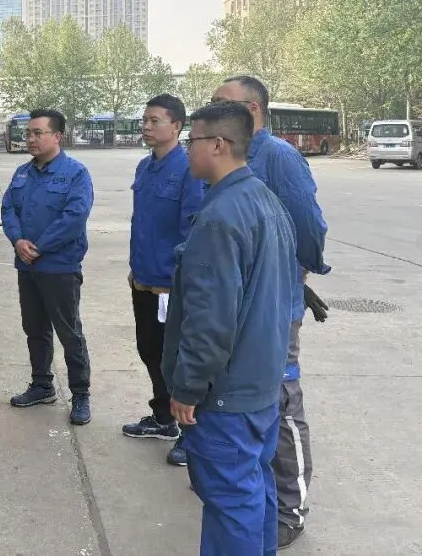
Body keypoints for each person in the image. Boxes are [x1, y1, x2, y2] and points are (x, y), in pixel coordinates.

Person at [163, 100, 297, 556]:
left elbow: (210, 319)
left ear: (218, 144)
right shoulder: (264, 200)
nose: (187, 150)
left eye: (192, 140)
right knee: (254, 487)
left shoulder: (221, 217)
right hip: (260, 384)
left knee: (230, 502)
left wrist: (188, 386)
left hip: (226, 394)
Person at [211, 76, 330, 549]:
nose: (212, 109)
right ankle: (254, 488)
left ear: (253, 109)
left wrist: (296, 270)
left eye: (221, 103)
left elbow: (310, 226)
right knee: (248, 397)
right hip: (237, 301)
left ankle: (291, 508)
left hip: (274, 305)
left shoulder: (277, 156)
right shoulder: (226, 153)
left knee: (281, 400)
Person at [122, 95, 204, 467]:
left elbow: (192, 229)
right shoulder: (145, 167)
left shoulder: (188, 169)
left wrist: (179, 278)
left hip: (171, 287)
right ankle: (163, 418)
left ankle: (192, 434)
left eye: (155, 120)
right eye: (145, 120)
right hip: (143, 280)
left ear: (177, 126)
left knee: (177, 361)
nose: (146, 126)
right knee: (150, 351)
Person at [1, 108, 94, 424]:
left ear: (57, 136)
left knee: (69, 333)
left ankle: (80, 394)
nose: (30, 138)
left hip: (59, 268)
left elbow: (74, 217)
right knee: (35, 329)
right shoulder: (22, 174)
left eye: (37, 133)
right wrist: (17, 240)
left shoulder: (76, 173)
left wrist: (38, 247)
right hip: (27, 267)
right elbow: (8, 209)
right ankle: (42, 385)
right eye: (28, 133)